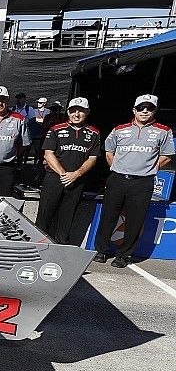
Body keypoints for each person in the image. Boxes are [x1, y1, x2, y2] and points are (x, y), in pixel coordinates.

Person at [93, 94, 174, 268]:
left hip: (143, 182)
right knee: (108, 216)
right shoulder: (119, 129)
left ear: (155, 110)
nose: (145, 111)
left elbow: (167, 156)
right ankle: (100, 250)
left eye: (149, 108)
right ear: (134, 110)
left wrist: (149, 169)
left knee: (135, 220)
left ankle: (123, 255)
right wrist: (118, 168)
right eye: (141, 108)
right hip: (118, 179)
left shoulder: (163, 131)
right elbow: (108, 152)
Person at [35, 97, 100, 244]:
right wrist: (63, 174)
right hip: (54, 178)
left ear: (87, 112)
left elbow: (93, 158)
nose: (76, 114)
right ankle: (38, 245)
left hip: (77, 180)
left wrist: (76, 174)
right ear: (68, 112)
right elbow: (48, 153)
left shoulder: (94, 133)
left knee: (67, 216)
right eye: (73, 111)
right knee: (45, 214)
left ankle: (60, 246)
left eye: (81, 111)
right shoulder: (56, 129)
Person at [24, 97, 50, 166]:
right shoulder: (33, 111)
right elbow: (30, 120)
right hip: (31, 133)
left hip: (40, 135)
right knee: (27, 149)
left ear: (44, 104)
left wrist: (38, 120)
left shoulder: (48, 111)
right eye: (38, 102)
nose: (38, 104)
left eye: (40, 103)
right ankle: (24, 164)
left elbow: (47, 121)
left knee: (37, 150)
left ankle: (36, 164)